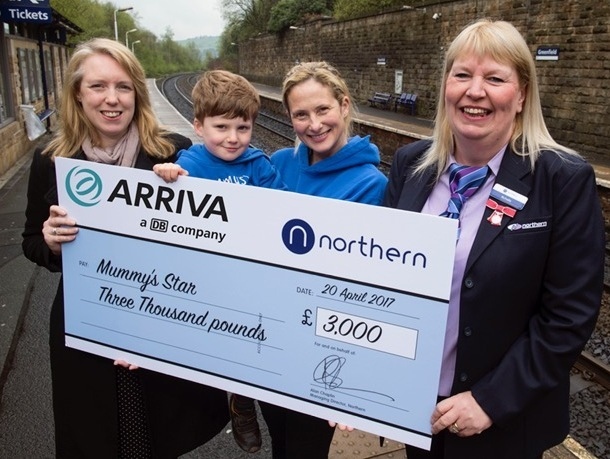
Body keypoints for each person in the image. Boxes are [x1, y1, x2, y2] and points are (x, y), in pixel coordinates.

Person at [383, 19, 604, 459]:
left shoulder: (561, 178)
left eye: (495, 78)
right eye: (462, 74)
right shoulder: (411, 166)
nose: (474, 91)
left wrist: (490, 400)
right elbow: (381, 281)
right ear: (446, 85)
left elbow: (569, 315)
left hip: (502, 424)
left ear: (522, 94)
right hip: (415, 407)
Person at [21, 38, 230, 458]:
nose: (112, 99)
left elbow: (218, 231)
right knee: (97, 432)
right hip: (86, 322)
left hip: (161, 318)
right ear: (78, 94)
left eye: (123, 87)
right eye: (98, 86)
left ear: (137, 92)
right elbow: (30, 241)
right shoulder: (52, 160)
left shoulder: (173, 153)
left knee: (157, 429)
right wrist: (51, 244)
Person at [247, 60, 387, 458]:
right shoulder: (280, 165)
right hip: (269, 333)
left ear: (344, 105)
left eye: (323, 109)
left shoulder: (372, 184)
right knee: (280, 440)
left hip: (319, 344)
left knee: (304, 448)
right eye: (301, 115)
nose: (314, 124)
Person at [153, 69, 285, 454]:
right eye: (221, 126)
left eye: (242, 128)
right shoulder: (188, 165)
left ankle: (244, 400)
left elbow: (282, 209)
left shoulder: (258, 165)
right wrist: (165, 174)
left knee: (259, 339)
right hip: (207, 275)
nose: (233, 138)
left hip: (253, 273)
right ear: (198, 125)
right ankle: (239, 403)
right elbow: (165, 207)